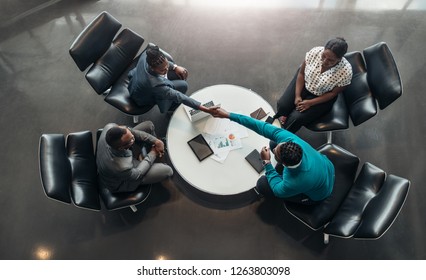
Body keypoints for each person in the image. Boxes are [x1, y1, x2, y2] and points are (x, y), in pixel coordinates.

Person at [210, 107, 335, 204]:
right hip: (326, 167)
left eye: (276, 152)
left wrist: (267, 163)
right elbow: (260, 126)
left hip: (320, 193)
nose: (274, 149)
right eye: (279, 147)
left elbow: (277, 190)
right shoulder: (291, 140)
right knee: (273, 140)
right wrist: (228, 115)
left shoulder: (293, 182)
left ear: (284, 164)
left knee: (263, 184)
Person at [274, 37, 353, 133]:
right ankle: (285, 114)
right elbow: (301, 73)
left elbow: (332, 94)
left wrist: (310, 103)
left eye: (331, 60)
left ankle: (280, 139)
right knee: (282, 105)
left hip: (322, 95)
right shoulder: (315, 52)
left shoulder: (346, 71)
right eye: (324, 56)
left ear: (339, 59)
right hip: (305, 84)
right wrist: (297, 95)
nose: (324, 62)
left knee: (296, 119)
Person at [128, 45, 215, 114]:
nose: (166, 69)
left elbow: (164, 65)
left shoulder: (148, 56)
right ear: (153, 68)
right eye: (162, 70)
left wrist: (175, 67)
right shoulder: (155, 85)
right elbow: (179, 96)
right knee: (183, 86)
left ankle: (166, 74)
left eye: (166, 65)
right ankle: (172, 109)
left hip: (137, 78)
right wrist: (204, 109)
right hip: (143, 97)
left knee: (178, 74)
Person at [96, 121, 173, 193]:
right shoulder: (121, 167)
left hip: (122, 160)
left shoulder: (110, 126)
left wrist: (156, 141)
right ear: (121, 148)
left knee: (149, 125)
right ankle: (155, 155)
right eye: (131, 139)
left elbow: (133, 132)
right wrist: (153, 153)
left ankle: (155, 150)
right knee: (168, 170)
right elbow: (137, 174)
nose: (133, 137)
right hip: (124, 180)